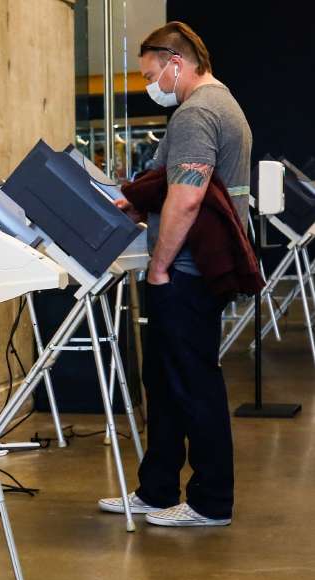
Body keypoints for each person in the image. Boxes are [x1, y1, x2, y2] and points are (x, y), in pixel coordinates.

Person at [98, 21, 252, 527]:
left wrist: (160, 267)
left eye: (150, 73)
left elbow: (186, 198)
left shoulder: (197, 112)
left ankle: (211, 502)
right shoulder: (220, 104)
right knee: (165, 383)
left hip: (184, 271)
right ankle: (158, 488)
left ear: (175, 63)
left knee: (191, 383)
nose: (151, 84)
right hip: (191, 268)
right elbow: (178, 189)